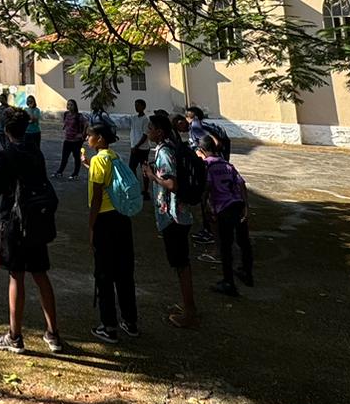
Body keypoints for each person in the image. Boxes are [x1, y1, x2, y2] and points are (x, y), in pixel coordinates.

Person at [0, 109, 64, 355]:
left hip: (16, 220)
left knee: (16, 275)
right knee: (41, 275)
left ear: (6, 130)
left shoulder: (6, 154)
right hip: (38, 218)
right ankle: (53, 334)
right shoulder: (35, 151)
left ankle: (15, 335)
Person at [142, 111, 198, 328]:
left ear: (159, 131)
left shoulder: (165, 152)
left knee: (181, 263)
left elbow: (172, 184)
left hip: (174, 215)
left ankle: (190, 312)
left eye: (150, 128)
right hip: (176, 214)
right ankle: (187, 305)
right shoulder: (170, 148)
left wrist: (152, 176)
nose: (148, 132)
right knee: (179, 263)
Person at [86, 120, 138, 340]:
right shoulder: (114, 157)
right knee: (124, 272)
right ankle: (130, 321)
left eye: (90, 135)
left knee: (105, 273)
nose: (87, 138)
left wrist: (91, 225)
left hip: (105, 219)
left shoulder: (99, 160)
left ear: (100, 139)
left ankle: (108, 326)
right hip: (122, 218)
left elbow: (97, 196)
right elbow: (108, 182)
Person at [201, 135, 254, 296]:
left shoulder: (207, 166)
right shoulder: (227, 164)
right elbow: (241, 183)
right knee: (243, 241)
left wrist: (205, 207)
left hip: (223, 208)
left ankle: (228, 282)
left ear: (202, 150)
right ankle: (247, 272)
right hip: (237, 204)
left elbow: (207, 187)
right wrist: (245, 205)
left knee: (226, 246)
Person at [57, 99, 87, 179]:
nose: (69, 106)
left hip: (76, 141)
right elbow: (66, 124)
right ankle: (60, 172)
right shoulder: (66, 114)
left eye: (71, 105)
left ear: (75, 106)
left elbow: (86, 123)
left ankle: (75, 174)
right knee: (64, 157)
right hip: (67, 139)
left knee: (76, 157)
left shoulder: (78, 116)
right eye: (68, 104)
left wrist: (82, 134)